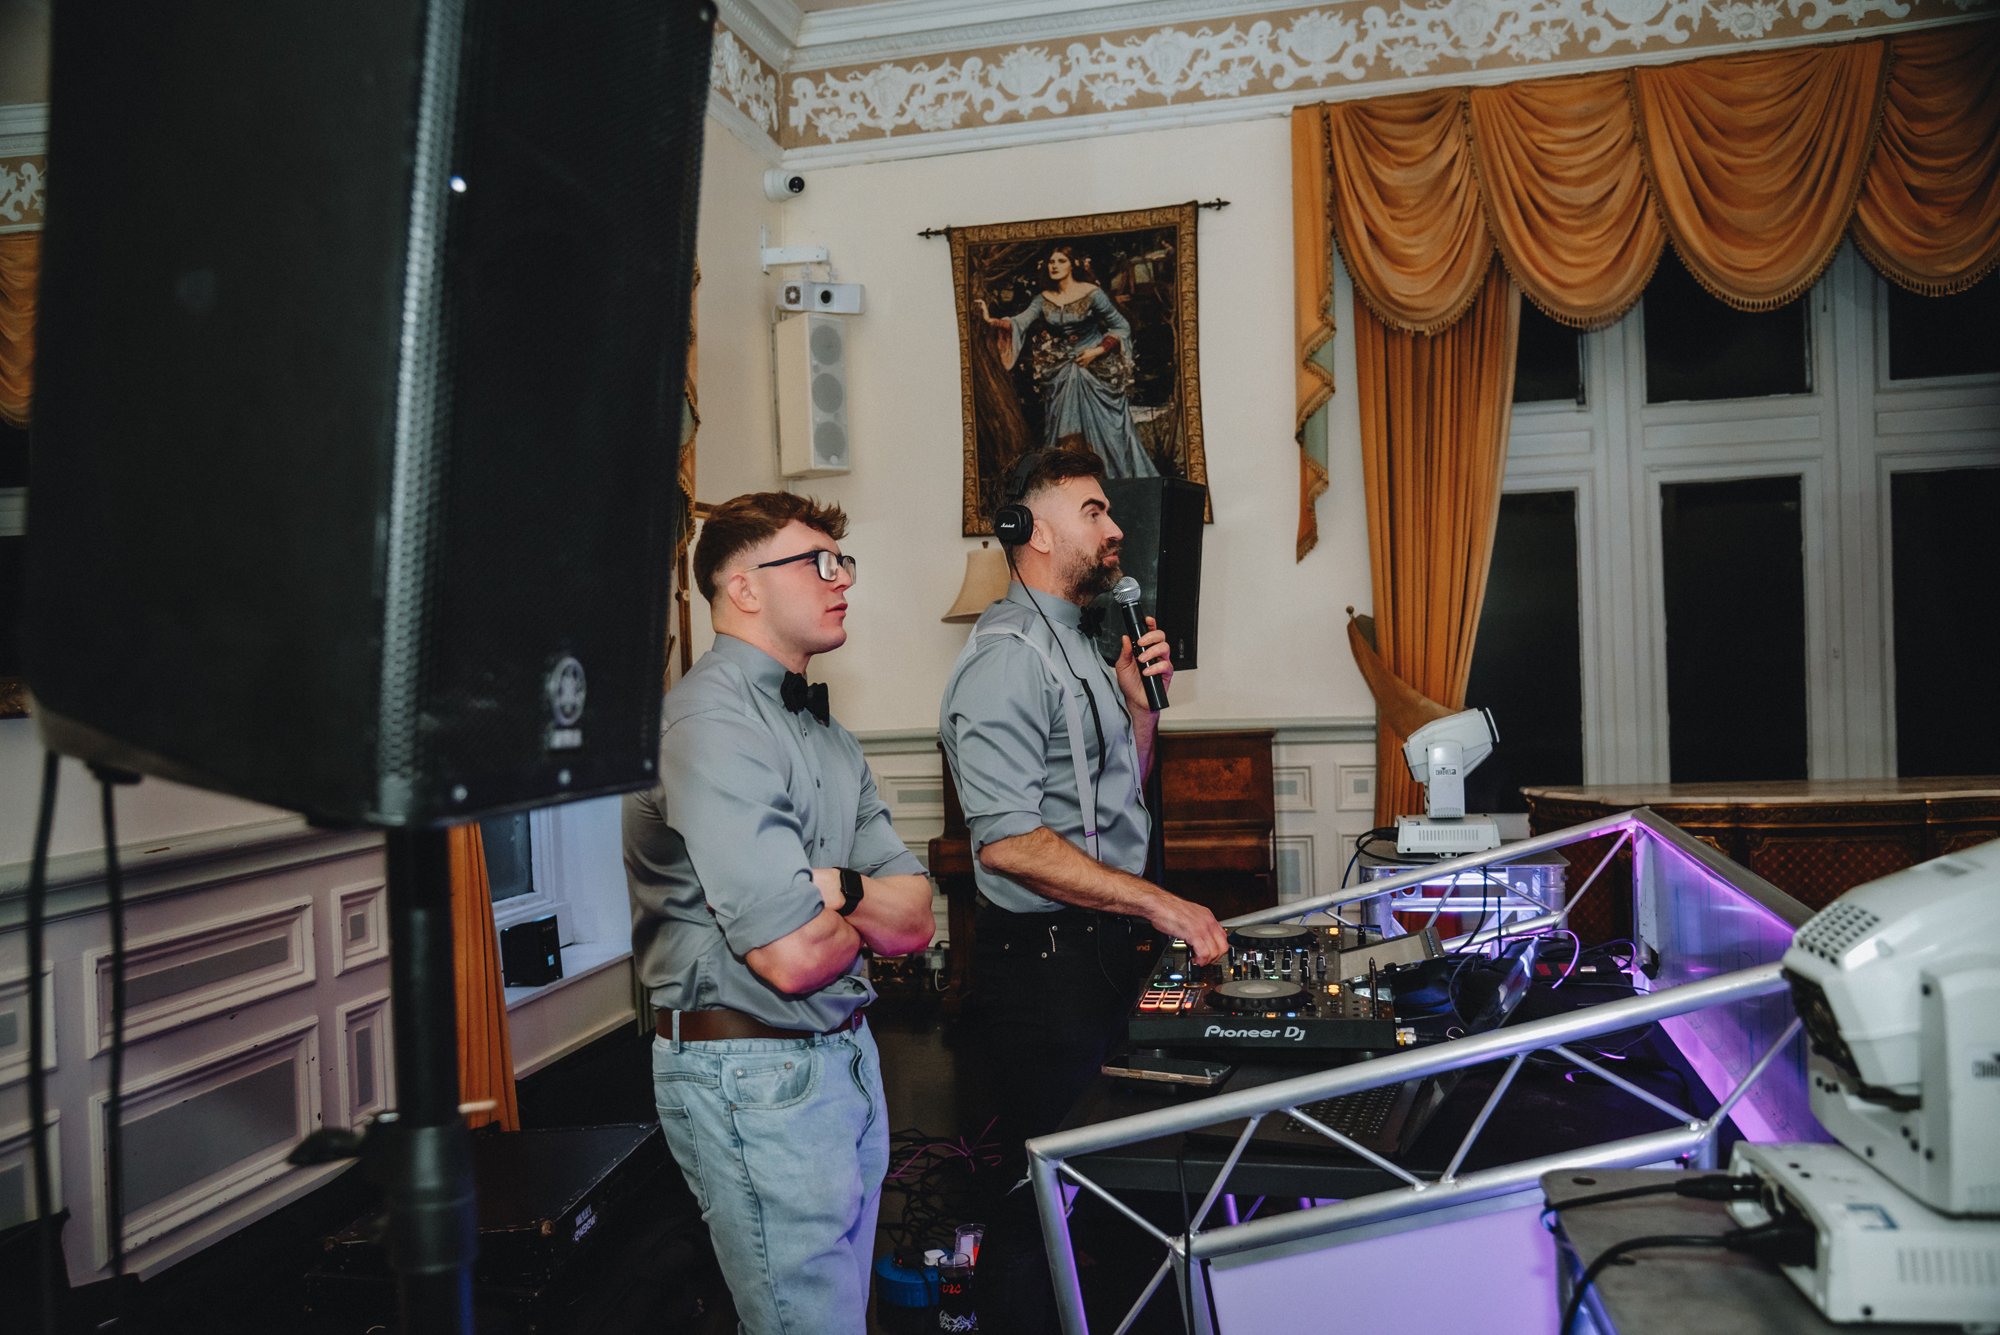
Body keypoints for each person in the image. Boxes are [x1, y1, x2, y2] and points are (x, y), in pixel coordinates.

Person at [625, 492, 936, 1335]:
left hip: (846, 1055)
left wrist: (837, 889)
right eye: (818, 563)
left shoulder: (827, 734)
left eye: (844, 563)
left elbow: (916, 921)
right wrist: (849, 906)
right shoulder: (706, 721)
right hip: (752, 1074)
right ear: (742, 587)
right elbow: (793, 956)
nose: (842, 581)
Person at [937, 448, 1228, 1331]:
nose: (1115, 529)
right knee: (1045, 1191)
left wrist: (1138, 705)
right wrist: (1156, 900)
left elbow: (1114, 799)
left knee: (1123, 1172)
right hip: (1044, 968)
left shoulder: (1086, 644)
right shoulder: (1002, 660)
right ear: (1031, 530)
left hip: (1101, 952)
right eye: (1095, 512)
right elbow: (1008, 843)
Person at [975, 244, 1161, 479]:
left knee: (1107, 428)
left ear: (1073, 264)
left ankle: (1115, 478)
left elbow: (1121, 326)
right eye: (1051, 262)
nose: (1054, 266)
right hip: (1061, 370)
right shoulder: (1043, 299)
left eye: (1061, 261)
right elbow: (1018, 323)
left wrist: (1097, 351)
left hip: (1094, 369)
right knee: (1065, 427)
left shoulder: (1091, 292)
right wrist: (989, 319)